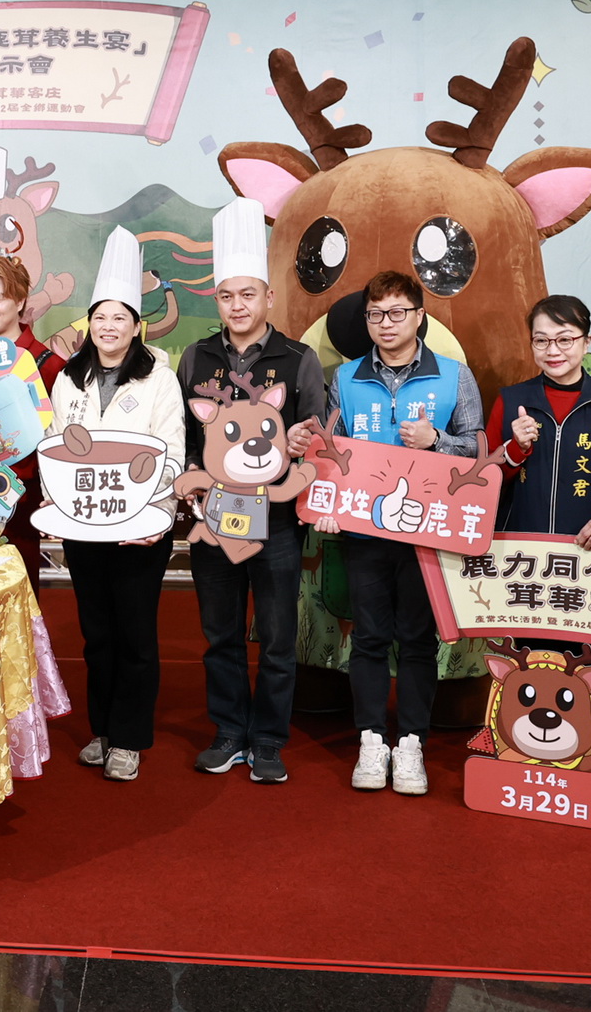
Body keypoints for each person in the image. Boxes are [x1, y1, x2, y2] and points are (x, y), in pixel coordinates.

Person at [289, 268, 481, 797]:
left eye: (397, 312)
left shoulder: (455, 376)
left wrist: (437, 440)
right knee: (370, 637)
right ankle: (372, 740)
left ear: (419, 316)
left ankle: (412, 742)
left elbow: (477, 448)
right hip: (365, 533)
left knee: (418, 639)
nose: (386, 323)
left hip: (428, 534)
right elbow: (330, 449)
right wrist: (328, 502)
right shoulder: (346, 378)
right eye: (376, 314)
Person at [175, 198, 326, 783]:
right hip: (214, 517)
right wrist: (191, 476)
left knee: (278, 638)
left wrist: (303, 444)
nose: (237, 306)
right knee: (220, 635)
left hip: (277, 523)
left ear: (268, 297)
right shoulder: (196, 357)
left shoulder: (298, 359)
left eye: (247, 294)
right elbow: (186, 436)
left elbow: (319, 436)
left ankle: (267, 740)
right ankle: (228, 732)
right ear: (216, 301)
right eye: (226, 296)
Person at [47, 228, 184, 783]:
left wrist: (156, 517)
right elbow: (56, 444)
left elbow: (172, 451)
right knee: (97, 635)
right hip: (85, 527)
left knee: (136, 635)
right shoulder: (69, 379)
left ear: (135, 324)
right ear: (89, 323)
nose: (108, 326)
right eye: (100, 317)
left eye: (119, 317)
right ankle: (102, 729)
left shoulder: (160, 379)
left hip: (139, 530)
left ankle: (129, 738)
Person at [486, 294, 591, 549]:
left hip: (590, 551)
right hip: (519, 549)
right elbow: (484, 478)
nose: (552, 351)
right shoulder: (510, 400)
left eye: (565, 340)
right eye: (541, 340)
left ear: (586, 342)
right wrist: (515, 449)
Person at [0, 255, 67, 591]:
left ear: (19, 302)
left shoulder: (49, 365)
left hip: (20, 498)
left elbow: (56, 440)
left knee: (18, 587)